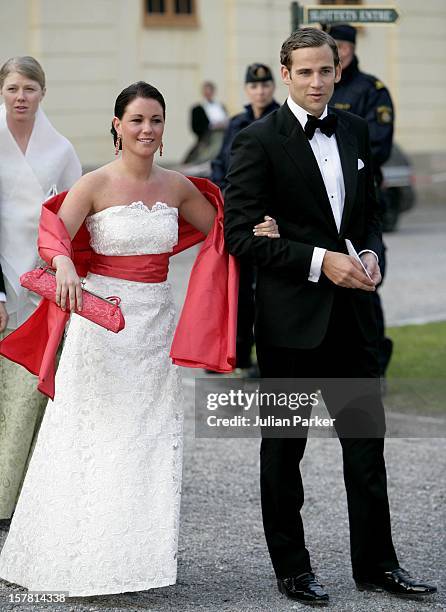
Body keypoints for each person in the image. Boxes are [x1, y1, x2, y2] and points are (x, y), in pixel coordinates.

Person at [0, 81, 278, 596]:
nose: (146, 130)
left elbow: (222, 228)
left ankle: (136, 559)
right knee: (93, 435)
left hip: (153, 330)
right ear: (117, 125)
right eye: (136, 121)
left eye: (155, 121)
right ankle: (74, 550)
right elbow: (51, 235)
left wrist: (258, 229)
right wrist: (62, 260)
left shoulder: (177, 186)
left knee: (147, 440)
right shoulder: (94, 184)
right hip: (100, 326)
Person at [224, 28, 436, 604]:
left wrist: (368, 256)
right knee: (284, 449)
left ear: (338, 71)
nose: (317, 81)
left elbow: (368, 217)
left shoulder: (357, 130)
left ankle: (377, 565)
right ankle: (292, 569)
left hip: (354, 319)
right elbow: (240, 237)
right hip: (291, 324)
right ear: (286, 74)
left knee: (366, 447)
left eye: (327, 70)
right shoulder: (256, 140)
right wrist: (321, 261)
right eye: (306, 72)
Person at [0, 56, 81, 522]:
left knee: (32, 392)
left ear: (43, 93)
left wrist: (62, 269)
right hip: (2, 279)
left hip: (45, 284)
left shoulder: (61, 150)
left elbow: (76, 220)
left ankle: (22, 496)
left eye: (30, 88)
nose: (21, 97)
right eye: (13, 88)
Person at [329, 24, 394, 378]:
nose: (341, 50)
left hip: (361, 198)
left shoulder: (371, 90)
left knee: (368, 278)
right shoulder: (320, 86)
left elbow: (379, 144)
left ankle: (375, 357)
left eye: (345, 45)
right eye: (335, 44)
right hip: (324, 205)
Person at [212, 63, 280, 373]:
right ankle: (236, 355)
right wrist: (219, 198)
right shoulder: (237, 123)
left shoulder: (282, 119)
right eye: (254, 86)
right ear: (247, 89)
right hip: (238, 217)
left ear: (273, 87)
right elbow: (221, 164)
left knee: (266, 292)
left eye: (265, 85)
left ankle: (266, 359)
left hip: (268, 218)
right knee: (235, 290)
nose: (260, 91)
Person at [184, 81, 228, 163]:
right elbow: (196, 126)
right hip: (208, 136)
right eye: (206, 91)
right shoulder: (197, 108)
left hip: (223, 134)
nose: (208, 93)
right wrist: (211, 126)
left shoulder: (220, 106)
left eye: (210, 91)